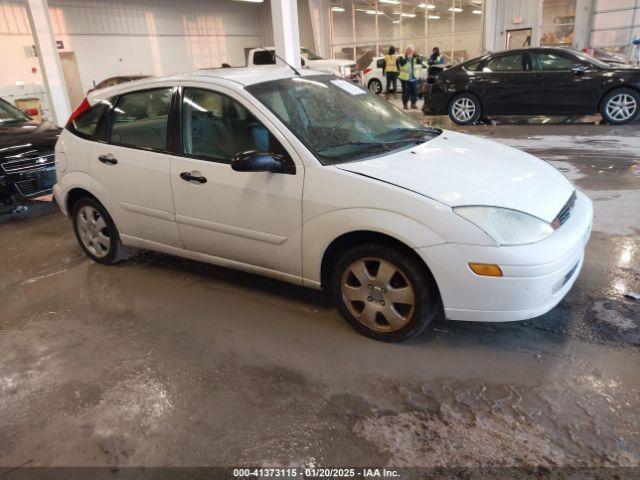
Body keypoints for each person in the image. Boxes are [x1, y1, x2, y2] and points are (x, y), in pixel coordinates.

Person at [397, 45, 423, 110]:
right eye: (409, 50)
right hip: (405, 79)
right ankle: (405, 104)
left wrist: (419, 59)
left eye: (411, 50)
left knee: (414, 92)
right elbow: (401, 63)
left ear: (413, 51)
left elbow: (420, 64)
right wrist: (408, 58)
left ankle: (413, 104)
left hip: (414, 78)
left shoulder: (415, 58)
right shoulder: (402, 57)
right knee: (406, 93)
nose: (410, 52)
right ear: (406, 51)